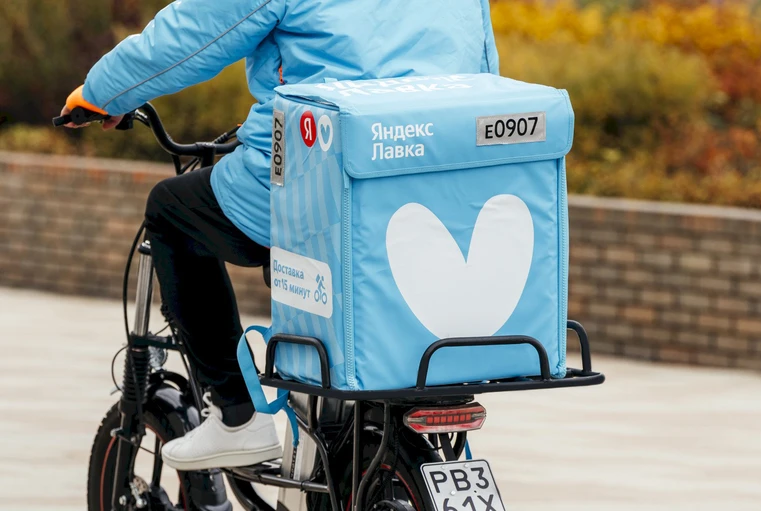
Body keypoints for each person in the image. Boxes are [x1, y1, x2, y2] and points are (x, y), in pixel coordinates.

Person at [61, 0, 499, 471]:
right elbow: (485, 77)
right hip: (436, 186)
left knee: (171, 210)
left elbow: (189, 35)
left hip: (320, 174)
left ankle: (237, 415)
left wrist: (103, 93)